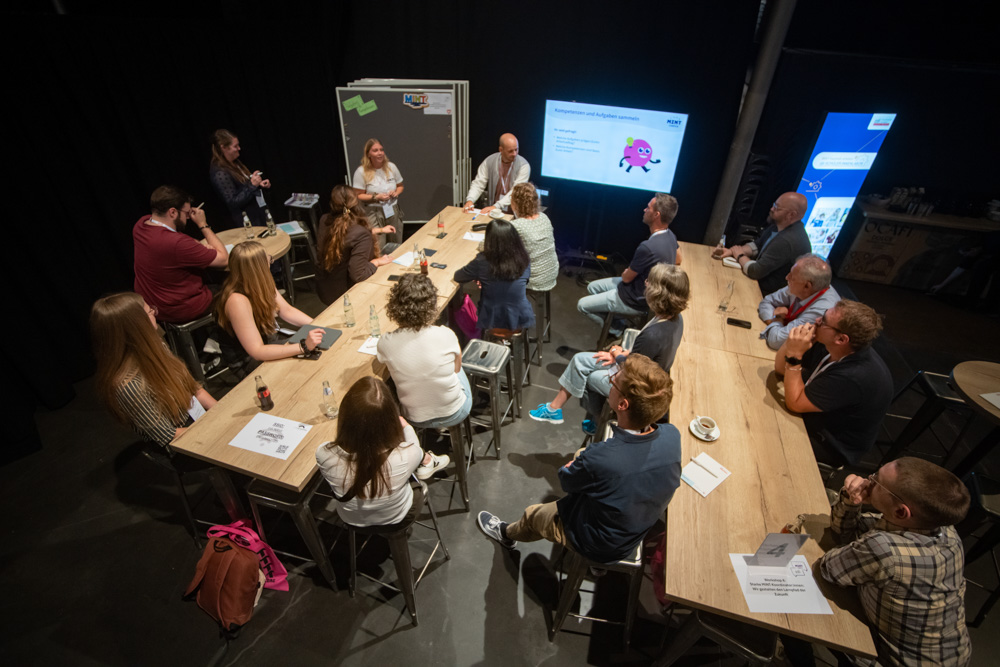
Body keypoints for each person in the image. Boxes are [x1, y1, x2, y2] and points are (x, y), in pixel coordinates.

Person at [477, 354, 681, 564]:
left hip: (599, 544)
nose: (610, 382)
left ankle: (505, 534)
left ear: (622, 404)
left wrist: (577, 466)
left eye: (613, 382)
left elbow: (567, 481)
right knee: (582, 456)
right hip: (633, 529)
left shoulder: (602, 458)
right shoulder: (672, 435)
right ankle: (598, 568)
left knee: (534, 514)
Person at [799, 458, 971, 667]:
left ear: (900, 512)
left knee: (796, 608)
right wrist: (851, 500)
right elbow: (848, 533)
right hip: (953, 656)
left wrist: (856, 541)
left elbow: (828, 569)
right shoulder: (946, 532)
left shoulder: (884, 550)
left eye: (876, 481)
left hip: (893, 661)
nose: (868, 481)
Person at [530, 263, 688, 434]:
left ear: (658, 293)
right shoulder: (676, 319)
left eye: (650, 282)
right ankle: (554, 409)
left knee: (590, 377)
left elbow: (635, 372)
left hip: (637, 390)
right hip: (640, 372)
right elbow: (646, 360)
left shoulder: (653, 336)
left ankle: (597, 421)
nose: (646, 283)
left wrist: (617, 355)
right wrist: (622, 355)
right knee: (579, 360)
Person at [315, 376, 450, 528]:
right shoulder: (406, 454)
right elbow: (415, 449)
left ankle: (428, 461)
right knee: (414, 469)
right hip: (398, 518)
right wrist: (406, 427)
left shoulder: (323, 453)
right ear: (391, 418)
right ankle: (428, 461)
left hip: (351, 520)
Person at [775, 299, 893, 466]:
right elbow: (780, 368)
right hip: (813, 412)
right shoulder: (830, 344)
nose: (817, 321)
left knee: (766, 434)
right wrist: (792, 343)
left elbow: (794, 403)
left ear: (841, 339)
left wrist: (794, 355)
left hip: (830, 444)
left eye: (823, 320)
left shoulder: (853, 376)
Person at [91, 291, 217, 447]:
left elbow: (193, 388)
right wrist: (216, 430)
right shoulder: (129, 386)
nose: (155, 313)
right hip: (181, 442)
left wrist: (220, 412)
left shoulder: (156, 345)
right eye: (150, 311)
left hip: (196, 419)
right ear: (138, 326)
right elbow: (168, 436)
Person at [377, 274, 472, 430]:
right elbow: (456, 368)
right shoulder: (446, 334)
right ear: (431, 305)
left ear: (394, 307)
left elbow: (382, 360)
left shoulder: (386, 343)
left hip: (414, 418)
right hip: (455, 412)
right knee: (458, 368)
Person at [215, 242, 324, 372]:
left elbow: (287, 311)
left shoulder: (260, 282)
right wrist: (303, 346)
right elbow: (257, 351)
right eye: (268, 258)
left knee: (320, 348)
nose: (270, 261)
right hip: (248, 361)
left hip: (268, 343)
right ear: (259, 267)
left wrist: (319, 326)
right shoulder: (237, 301)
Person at [577, 193, 681, 329]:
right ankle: (615, 319)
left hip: (634, 299)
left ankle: (615, 330)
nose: (644, 210)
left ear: (656, 215)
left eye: (648, 208)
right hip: (643, 291)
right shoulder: (670, 235)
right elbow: (678, 260)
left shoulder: (648, 247)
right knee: (592, 287)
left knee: (582, 305)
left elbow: (626, 278)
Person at [134, 185, 228, 324]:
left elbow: (178, 242)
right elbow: (223, 259)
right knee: (237, 292)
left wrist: (195, 245)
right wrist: (203, 224)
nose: (188, 217)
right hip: (179, 308)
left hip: (153, 304)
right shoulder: (176, 243)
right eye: (187, 213)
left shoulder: (141, 225)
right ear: (172, 212)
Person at [713, 191, 810, 296]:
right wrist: (732, 251)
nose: (772, 209)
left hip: (765, 295)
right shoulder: (778, 226)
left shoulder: (787, 241)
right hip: (757, 284)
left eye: (777, 207)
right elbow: (757, 245)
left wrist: (739, 255)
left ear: (791, 215)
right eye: (774, 205)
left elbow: (755, 271)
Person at [315, 185, 394, 305]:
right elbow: (358, 274)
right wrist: (376, 262)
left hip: (327, 290)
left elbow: (343, 235)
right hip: (349, 295)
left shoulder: (324, 220)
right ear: (356, 202)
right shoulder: (361, 233)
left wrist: (380, 230)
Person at [453, 219, 535, 332]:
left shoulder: (482, 261)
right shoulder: (524, 258)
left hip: (492, 320)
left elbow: (459, 277)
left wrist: (480, 277)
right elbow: (524, 282)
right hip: (520, 317)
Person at [757, 253, 840, 350]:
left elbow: (776, 341)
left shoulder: (823, 311)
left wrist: (778, 318)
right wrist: (771, 322)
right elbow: (767, 301)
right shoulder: (801, 285)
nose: (787, 277)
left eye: (792, 277)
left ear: (807, 286)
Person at [209, 129, 272, 228]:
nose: (239, 148)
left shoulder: (235, 162)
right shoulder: (220, 173)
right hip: (246, 223)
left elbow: (243, 187)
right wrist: (252, 185)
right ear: (223, 148)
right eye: (235, 146)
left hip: (257, 215)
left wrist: (258, 183)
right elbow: (233, 202)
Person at [352, 138, 403, 247]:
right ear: (368, 154)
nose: (379, 153)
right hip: (373, 211)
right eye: (375, 150)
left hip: (392, 208)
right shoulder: (361, 171)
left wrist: (396, 193)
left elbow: (400, 186)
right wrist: (376, 197)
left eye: (381, 150)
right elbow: (358, 195)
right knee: (379, 244)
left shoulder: (391, 167)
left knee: (396, 242)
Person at [463, 133, 530, 214]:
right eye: (510, 151)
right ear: (501, 150)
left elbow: (516, 191)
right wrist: (470, 200)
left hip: (514, 213)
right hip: (493, 211)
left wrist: (496, 206)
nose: (515, 154)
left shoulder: (523, 165)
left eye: (516, 149)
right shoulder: (489, 161)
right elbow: (479, 183)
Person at [509, 182, 558, 292]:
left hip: (533, 280)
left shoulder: (517, 226)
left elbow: (489, 245)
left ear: (515, 203)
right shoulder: (544, 217)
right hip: (551, 274)